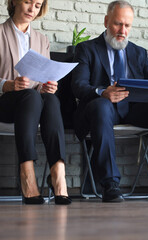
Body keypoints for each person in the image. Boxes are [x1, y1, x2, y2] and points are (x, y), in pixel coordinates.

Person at [71, 0, 148, 202]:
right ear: (106, 21)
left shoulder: (139, 53)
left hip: (134, 109)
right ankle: (110, 184)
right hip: (102, 110)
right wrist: (103, 92)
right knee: (101, 105)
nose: (122, 30)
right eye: (117, 24)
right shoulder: (86, 49)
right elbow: (78, 85)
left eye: (127, 25)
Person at [0, 0, 71, 204]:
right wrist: (8, 85)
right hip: (4, 102)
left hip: (31, 104)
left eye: (38, 5)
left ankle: (58, 174)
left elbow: (41, 79)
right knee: (31, 97)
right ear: (14, 2)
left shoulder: (41, 39)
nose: (32, 9)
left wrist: (46, 86)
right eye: (28, 2)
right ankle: (27, 174)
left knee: (49, 98)